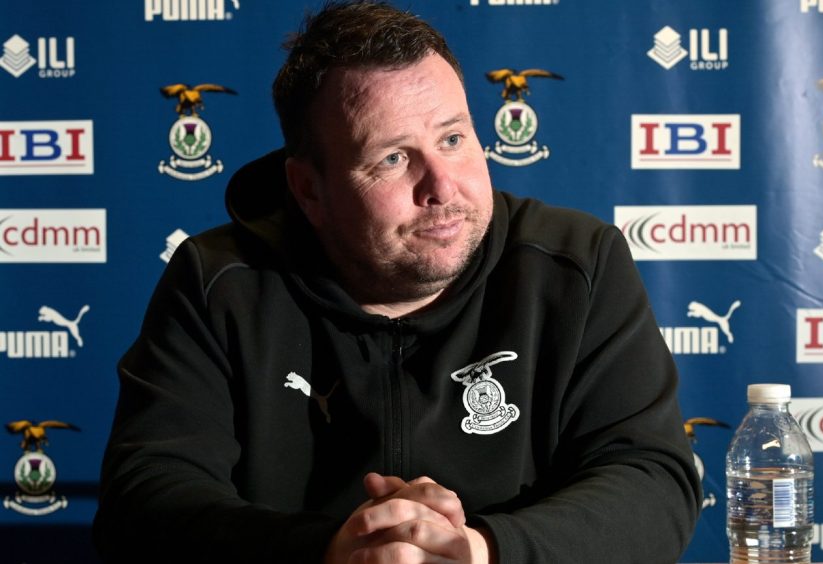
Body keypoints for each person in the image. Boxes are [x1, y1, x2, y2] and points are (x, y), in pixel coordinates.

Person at [93, 2, 702, 562]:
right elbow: (146, 502)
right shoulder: (220, 281)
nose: (442, 185)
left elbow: (651, 480)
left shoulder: (576, 264)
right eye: (392, 157)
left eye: (453, 138)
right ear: (309, 190)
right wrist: (332, 551)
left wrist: (483, 550)